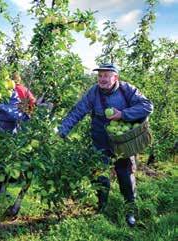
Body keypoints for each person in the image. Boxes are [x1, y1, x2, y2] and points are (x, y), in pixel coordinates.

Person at [57, 63, 153, 227]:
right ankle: (101, 207)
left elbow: (147, 106)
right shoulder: (93, 92)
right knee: (100, 174)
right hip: (100, 138)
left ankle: (130, 211)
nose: (102, 79)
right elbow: (78, 111)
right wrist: (62, 131)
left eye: (106, 76)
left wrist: (123, 114)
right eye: (100, 76)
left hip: (123, 140)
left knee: (126, 175)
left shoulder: (126, 89)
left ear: (115, 77)